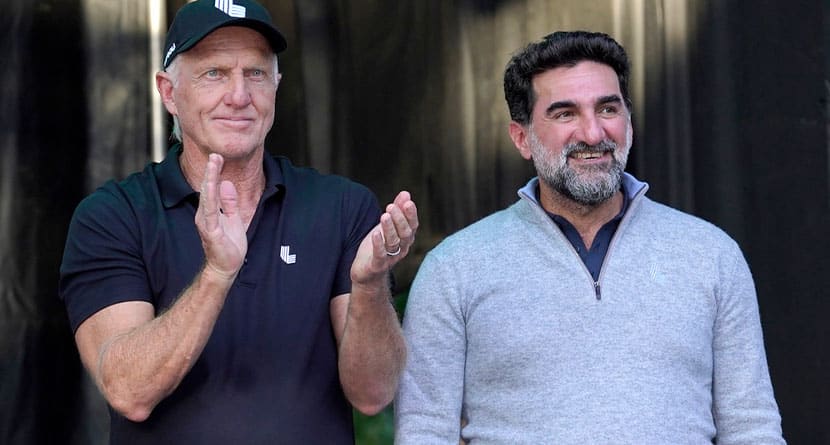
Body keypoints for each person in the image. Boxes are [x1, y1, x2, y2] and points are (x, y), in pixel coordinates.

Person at [394, 31, 784, 444]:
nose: (594, 133)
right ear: (521, 137)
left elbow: (751, 427)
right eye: (565, 113)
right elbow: (424, 430)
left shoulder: (712, 254)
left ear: (629, 121)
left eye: (608, 108)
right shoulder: (455, 268)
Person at [59, 0, 418, 443]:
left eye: (255, 73)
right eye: (214, 73)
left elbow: (373, 393)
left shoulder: (341, 206)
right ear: (168, 92)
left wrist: (368, 287)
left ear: (276, 87)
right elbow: (129, 391)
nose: (239, 96)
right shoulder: (114, 215)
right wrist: (217, 273)